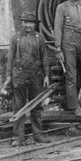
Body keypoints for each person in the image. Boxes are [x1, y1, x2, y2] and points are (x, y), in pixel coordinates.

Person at [1, 11, 51, 146]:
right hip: (19, 76)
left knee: (37, 106)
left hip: (36, 75)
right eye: (25, 22)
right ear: (21, 23)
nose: (28, 25)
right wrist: (8, 77)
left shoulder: (39, 38)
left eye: (31, 22)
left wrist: (46, 75)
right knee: (18, 107)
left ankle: (38, 135)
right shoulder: (15, 38)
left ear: (34, 24)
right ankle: (18, 138)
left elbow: (44, 57)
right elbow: (10, 58)